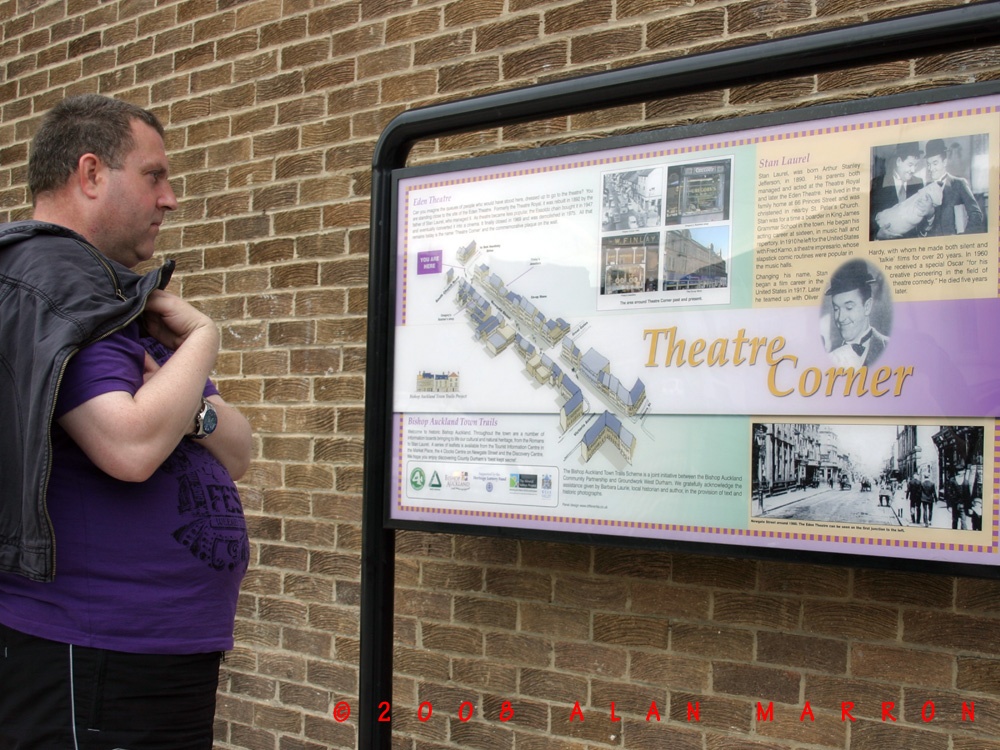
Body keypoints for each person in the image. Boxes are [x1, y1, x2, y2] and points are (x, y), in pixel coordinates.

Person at [0, 95, 252, 749]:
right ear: (90, 174)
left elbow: (239, 445)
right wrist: (202, 336)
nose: (169, 199)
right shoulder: (56, 288)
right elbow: (130, 444)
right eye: (153, 176)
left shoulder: (112, 297)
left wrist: (186, 411)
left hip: (152, 654)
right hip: (89, 652)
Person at [824, 258, 890, 367]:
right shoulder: (829, 357)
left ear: (867, 306)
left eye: (849, 308)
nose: (840, 318)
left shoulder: (891, 347)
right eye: (836, 309)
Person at [922, 137, 985, 236]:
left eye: (935, 163)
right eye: (928, 164)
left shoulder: (959, 183)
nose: (931, 168)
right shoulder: (927, 187)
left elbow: (976, 214)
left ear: (944, 162)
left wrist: (963, 239)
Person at [870, 142, 925, 240]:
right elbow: (868, 217)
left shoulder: (919, 183)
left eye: (915, 165)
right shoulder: (877, 184)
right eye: (910, 164)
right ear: (899, 161)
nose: (913, 170)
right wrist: (877, 234)